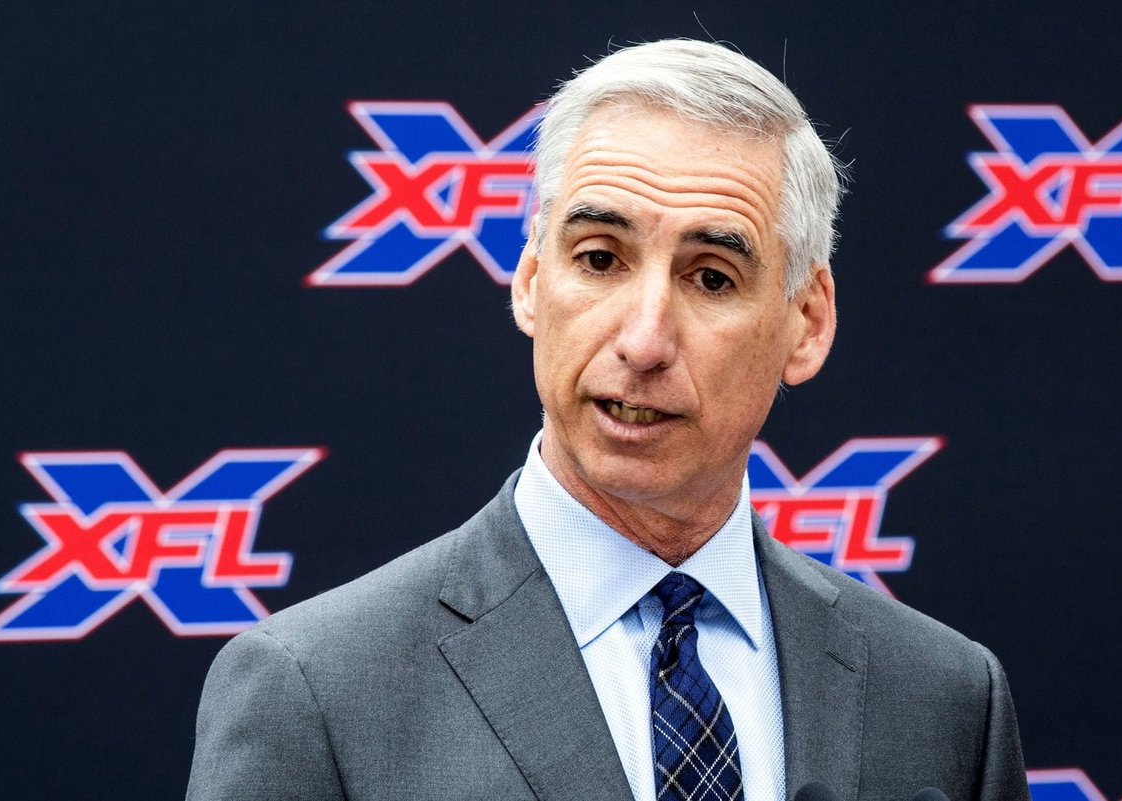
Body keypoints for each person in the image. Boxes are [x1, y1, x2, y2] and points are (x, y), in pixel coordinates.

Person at [187, 39, 1030, 801]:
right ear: (530, 279)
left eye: (711, 277)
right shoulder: (316, 693)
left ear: (806, 323)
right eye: (600, 259)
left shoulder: (945, 700)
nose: (644, 339)